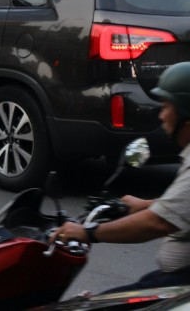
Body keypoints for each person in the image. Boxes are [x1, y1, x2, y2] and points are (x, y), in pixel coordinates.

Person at [53, 61, 190, 292]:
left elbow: (156, 224)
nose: (161, 115)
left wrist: (88, 233)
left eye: (167, 106)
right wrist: (145, 204)